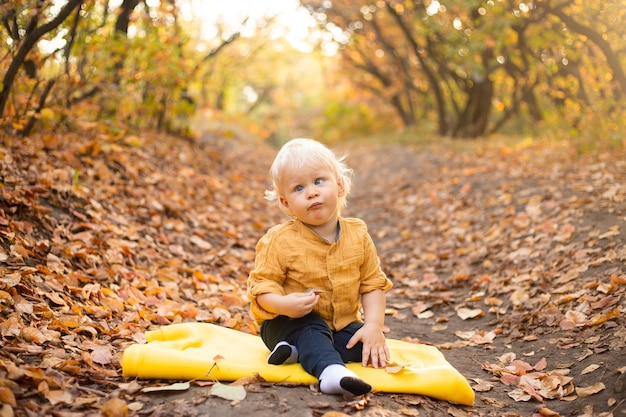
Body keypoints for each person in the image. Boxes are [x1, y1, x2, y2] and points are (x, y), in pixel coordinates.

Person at [246, 138, 393, 396]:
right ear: (286, 203)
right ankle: (331, 373)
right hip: (287, 322)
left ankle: (296, 352)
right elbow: (261, 287)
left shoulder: (358, 235)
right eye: (299, 188)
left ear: (339, 185)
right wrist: (283, 304)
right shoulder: (279, 240)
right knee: (311, 327)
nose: (311, 192)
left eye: (318, 182)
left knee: (362, 344)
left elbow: (372, 285)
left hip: (341, 325)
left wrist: (373, 327)